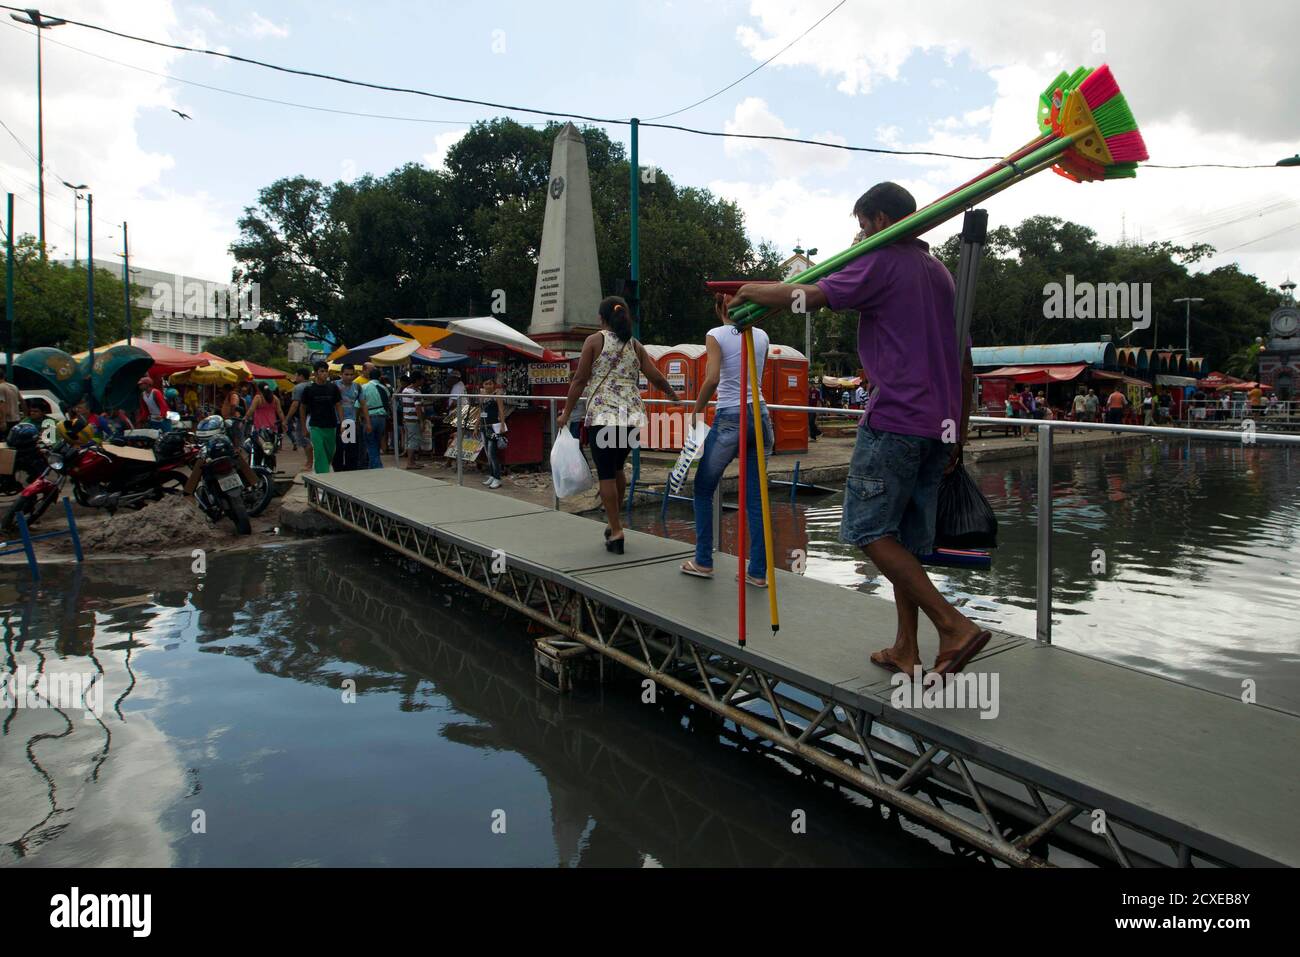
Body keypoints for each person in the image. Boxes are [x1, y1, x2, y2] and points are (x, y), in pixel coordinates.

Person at [728, 181, 989, 677]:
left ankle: (953, 625)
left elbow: (813, 297)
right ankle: (905, 648)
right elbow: (966, 363)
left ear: (884, 221)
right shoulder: (940, 275)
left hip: (894, 421)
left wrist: (752, 291)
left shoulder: (882, 259)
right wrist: (961, 431)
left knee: (869, 530)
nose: (860, 234)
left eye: (864, 224)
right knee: (905, 542)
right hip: (940, 427)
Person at [557, 295, 679, 552]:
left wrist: (566, 413)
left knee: (605, 474)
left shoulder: (594, 341)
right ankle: (615, 523)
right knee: (618, 469)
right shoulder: (635, 345)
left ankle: (616, 530)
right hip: (632, 417)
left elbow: (579, 380)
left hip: (604, 417)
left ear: (602, 318)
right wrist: (672, 394)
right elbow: (654, 375)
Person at [680, 294, 774, 586]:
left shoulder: (716, 335)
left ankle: (703, 560)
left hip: (731, 417)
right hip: (759, 416)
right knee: (756, 498)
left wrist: (695, 412)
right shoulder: (762, 335)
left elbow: (712, 379)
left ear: (720, 308)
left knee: (703, 488)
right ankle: (758, 572)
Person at [300, 361, 343, 475]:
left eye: (326, 371)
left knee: (330, 453)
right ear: (315, 373)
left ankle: (323, 472)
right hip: (315, 426)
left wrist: (343, 423)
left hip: (331, 425)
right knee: (319, 452)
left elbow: (338, 405)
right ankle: (323, 479)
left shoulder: (333, 388)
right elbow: (302, 408)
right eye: (322, 371)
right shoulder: (309, 389)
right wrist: (304, 427)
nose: (324, 374)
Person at [334, 364, 370, 472]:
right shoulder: (334, 385)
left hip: (351, 422)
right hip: (336, 422)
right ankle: (338, 470)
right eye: (346, 374)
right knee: (338, 449)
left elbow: (363, 405)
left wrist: (368, 422)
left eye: (351, 374)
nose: (349, 377)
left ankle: (350, 470)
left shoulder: (357, 387)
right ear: (341, 374)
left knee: (351, 449)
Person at [479, 378, 508, 488]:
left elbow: (501, 410)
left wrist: (502, 424)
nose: (488, 386)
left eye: (490, 383)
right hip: (483, 426)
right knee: (487, 453)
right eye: (486, 383)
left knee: (492, 453)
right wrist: (477, 426)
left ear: (494, 385)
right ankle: (492, 474)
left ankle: (497, 478)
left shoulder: (497, 395)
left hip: (494, 427)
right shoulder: (481, 395)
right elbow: (480, 411)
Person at [359, 370, 391, 469]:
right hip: (382, 418)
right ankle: (372, 465)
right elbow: (388, 400)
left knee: (371, 443)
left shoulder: (364, 387)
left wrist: (357, 419)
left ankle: (377, 466)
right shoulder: (384, 388)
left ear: (369, 376)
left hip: (370, 417)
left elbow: (358, 405)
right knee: (376, 442)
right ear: (380, 377)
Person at [246, 381, 287, 454]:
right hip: (272, 426)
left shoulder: (258, 397)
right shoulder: (275, 398)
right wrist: (283, 422)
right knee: (269, 445)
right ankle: (269, 455)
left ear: (258, 389)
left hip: (260, 426)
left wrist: (245, 418)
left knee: (260, 445)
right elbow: (280, 411)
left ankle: (266, 454)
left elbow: (251, 409)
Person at [286, 367, 314, 468]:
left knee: (303, 439)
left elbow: (295, 405)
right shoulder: (313, 385)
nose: (295, 377)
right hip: (313, 416)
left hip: (302, 417)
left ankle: (309, 462)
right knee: (311, 439)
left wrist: (287, 418)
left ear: (301, 376)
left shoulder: (298, 388)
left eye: (296, 375)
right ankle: (311, 461)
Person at [400, 372, 426, 470]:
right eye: (422, 379)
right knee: (413, 440)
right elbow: (418, 407)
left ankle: (412, 462)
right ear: (418, 380)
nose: (423, 381)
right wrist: (421, 421)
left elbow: (404, 405)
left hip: (407, 418)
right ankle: (410, 463)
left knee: (410, 439)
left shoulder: (405, 390)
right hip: (413, 419)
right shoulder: (415, 391)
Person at [0, 367, 22, 442]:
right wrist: (25, 415)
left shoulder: (0, 387)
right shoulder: (14, 386)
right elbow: (22, 400)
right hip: (16, 419)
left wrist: (3, 422)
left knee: (4, 443)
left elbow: (2, 405)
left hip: (6, 421)